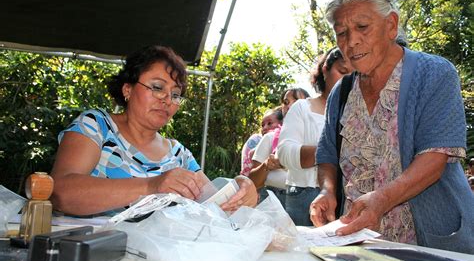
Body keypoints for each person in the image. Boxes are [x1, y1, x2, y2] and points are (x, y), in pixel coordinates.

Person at [311, 0, 474, 254]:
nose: (351, 42)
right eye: (342, 33)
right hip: (360, 243)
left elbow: (435, 157)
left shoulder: (434, 73)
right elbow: (327, 154)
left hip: (428, 242)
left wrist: (381, 200)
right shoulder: (342, 91)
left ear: (391, 25)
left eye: (362, 27)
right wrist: (327, 191)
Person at [50, 45, 258, 216]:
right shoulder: (97, 126)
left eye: (175, 94)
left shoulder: (179, 155)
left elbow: (215, 205)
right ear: (128, 89)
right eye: (157, 87)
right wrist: (151, 186)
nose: (167, 100)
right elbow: (60, 192)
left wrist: (241, 187)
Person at [277, 48, 353, 226]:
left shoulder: (356, 113)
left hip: (348, 198)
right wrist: (330, 151)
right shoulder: (303, 107)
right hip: (305, 196)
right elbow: (285, 153)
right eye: (342, 71)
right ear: (324, 69)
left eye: (353, 75)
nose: (346, 80)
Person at [249, 88, 310, 207]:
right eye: (286, 103)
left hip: (303, 205)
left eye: (297, 102)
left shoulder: (314, 141)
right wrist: (266, 165)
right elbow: (253, 182)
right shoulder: (270, 139)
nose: (289, 106)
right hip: (269, 206)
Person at [240, 108, 283, 177]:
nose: (265, 127)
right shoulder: (256, 139)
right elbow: (251, 154)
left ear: (281, 124)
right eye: (262, 125)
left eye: (269, 123)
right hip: (251, 181)